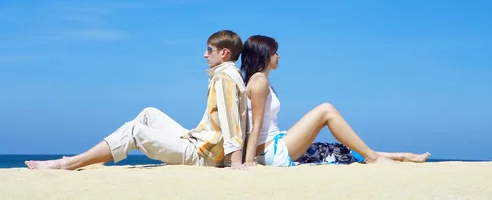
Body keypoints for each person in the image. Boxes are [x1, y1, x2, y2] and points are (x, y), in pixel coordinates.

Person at [26, 30, 247, 170]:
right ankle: (100, 160)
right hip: (197, 142)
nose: (205, 54)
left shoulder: (224, 77)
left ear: (224, 53)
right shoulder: (227, 75)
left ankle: (68, 163)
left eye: (210, 50)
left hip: (202, 155)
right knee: (149, 113)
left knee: (134, 130)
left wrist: (234, 162)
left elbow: (231, 122)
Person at [241, 35, 430, 167]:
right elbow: (255, 125)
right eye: (275, 52)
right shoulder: (260, 82)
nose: (279, 55)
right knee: (326, 110)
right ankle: (374, 159)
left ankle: (402, 156)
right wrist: (249, 161)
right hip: (272, 150)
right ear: (264, 54)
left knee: (337, 151)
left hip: (277, 143)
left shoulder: (260, 81)